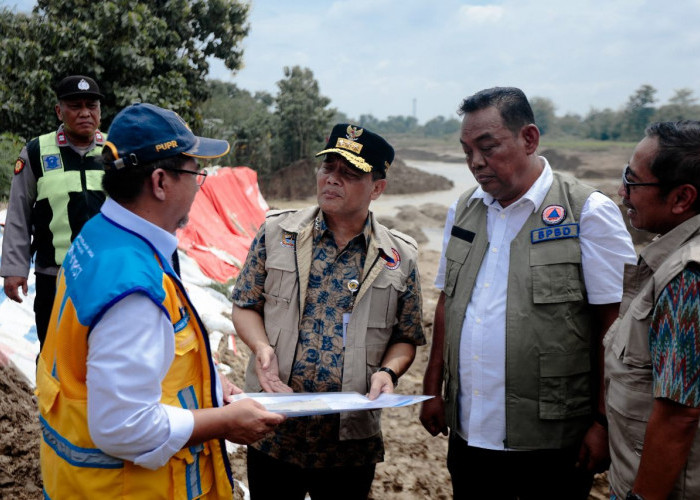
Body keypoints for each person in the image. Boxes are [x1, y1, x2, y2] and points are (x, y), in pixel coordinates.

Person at [36, 103, 285, 499]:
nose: (198, 187)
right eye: (195, 173)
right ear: (160, 182)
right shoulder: (133, 287)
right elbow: (124, 427)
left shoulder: (100, 235)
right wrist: (223, 422)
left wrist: (208, 382)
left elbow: (124, 354)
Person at [419, 87, 637, 499]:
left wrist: (605, 422)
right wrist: (434, 390)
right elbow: (449, 300)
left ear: (529, 138)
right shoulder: (464, 209)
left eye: (488, 147)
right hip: (470, 432)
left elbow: (617, 326)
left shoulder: (586, 211)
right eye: (467, 152)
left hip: (552, 439)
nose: (477, 163)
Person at [231, 123, 425, 499]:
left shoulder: (399, 257)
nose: (332, 179)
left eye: (349, 174)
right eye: (328, 168)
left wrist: (388, 371)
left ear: (377, 188)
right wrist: (261, 348)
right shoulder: (276, 233)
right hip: (274, 426)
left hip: (349, 443)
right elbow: (244, 306)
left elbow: (406, 338)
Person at [604, 121, 700, 500]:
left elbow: (678, 415)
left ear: (681, 198)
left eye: (633, 181)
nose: (622, 191)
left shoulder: (687, 277)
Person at [1, 75, 107, 349]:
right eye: (75, 105)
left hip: (108, 275)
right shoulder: (36, 152)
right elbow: (18, 214)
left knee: (106, 353)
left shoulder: (115, 151)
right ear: (59, 111)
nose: (85, 112)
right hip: (55, 277)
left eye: (91, 105)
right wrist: (14, 269)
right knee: (53, 355)